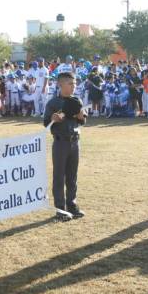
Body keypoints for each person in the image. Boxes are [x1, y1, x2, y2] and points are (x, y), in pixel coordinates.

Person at [43, 72, 86, 221]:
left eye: (74, 83)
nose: (73, 86)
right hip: (60, 142)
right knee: (59, 176)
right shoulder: (53, 103)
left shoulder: (77, 100)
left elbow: (82, 121)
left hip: (75, 142)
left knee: (72, 176)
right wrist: (53, 119)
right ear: (60, 84)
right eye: (70, 83)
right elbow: (46, 124)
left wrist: (81, 117)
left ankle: (72, 206)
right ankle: (60, 210)